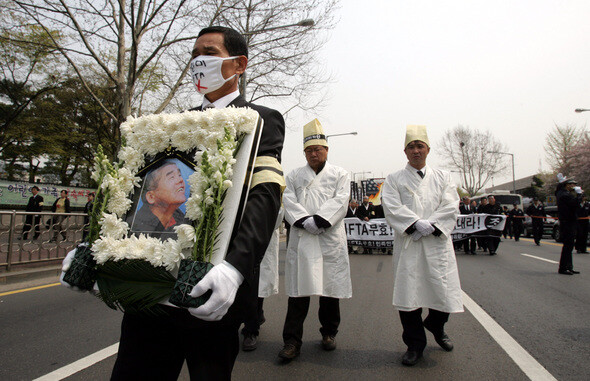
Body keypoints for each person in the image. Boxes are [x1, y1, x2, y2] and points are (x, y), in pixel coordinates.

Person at [105, 26, 286, 380]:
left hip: (208, 287)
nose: (198, 61)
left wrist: (234, 268)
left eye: (210, 52)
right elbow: (136, 188)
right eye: (194, 54)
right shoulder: (171, 126)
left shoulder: (260, 121)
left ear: (238, 65)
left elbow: (265, 198)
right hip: (152, 287)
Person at [381, 125, 463, 367]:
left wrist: (432, 225)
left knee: (443, 291)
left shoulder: (444, 177)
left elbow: (451, 205)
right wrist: (416, 224)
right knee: (409, 296)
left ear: (428, 149)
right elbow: (392, 207)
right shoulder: (394, 179)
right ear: (405, 152)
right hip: (410, 244)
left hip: (437, 244)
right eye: (411, 147)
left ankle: (437, 326)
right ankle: (415, 345)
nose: (416, 151)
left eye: (420, 146)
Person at [279, 118, 352, 360]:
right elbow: (288, 201)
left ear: (326, 150)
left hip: (329, 239)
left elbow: (340, 201)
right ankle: (291, 341)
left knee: (329, 291)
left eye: (317, 149)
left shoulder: (340, 174)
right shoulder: (293, 175)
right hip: (302, 239)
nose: (313, 154)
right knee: (298, 294)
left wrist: (320, 220)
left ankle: (329, 332)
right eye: (308, 150)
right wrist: (304, 221)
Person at [240, 208, 284, 351]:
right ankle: (257, 316)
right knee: (244, 281)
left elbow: (278, 210)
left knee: (258, 282)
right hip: (241, 231)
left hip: (263, 230)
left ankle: (251, 330)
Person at [129, 160, 190, 237]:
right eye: (171, 177)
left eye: (179, 175)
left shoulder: (180, 219)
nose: (180, 180)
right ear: (151, 197)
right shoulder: (137, 229)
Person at [556, 174, 583, 275]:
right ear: (567, 185)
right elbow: (575, 204)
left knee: (569, 245)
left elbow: (557, 190)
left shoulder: (562, 192)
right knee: (568, 246)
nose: (574, 186)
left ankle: (569, 266)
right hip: (568, 221)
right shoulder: (565, 195)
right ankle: (563, 268)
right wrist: (579, 194)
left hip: (568, 221)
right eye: (572, 184)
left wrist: (560, 182)